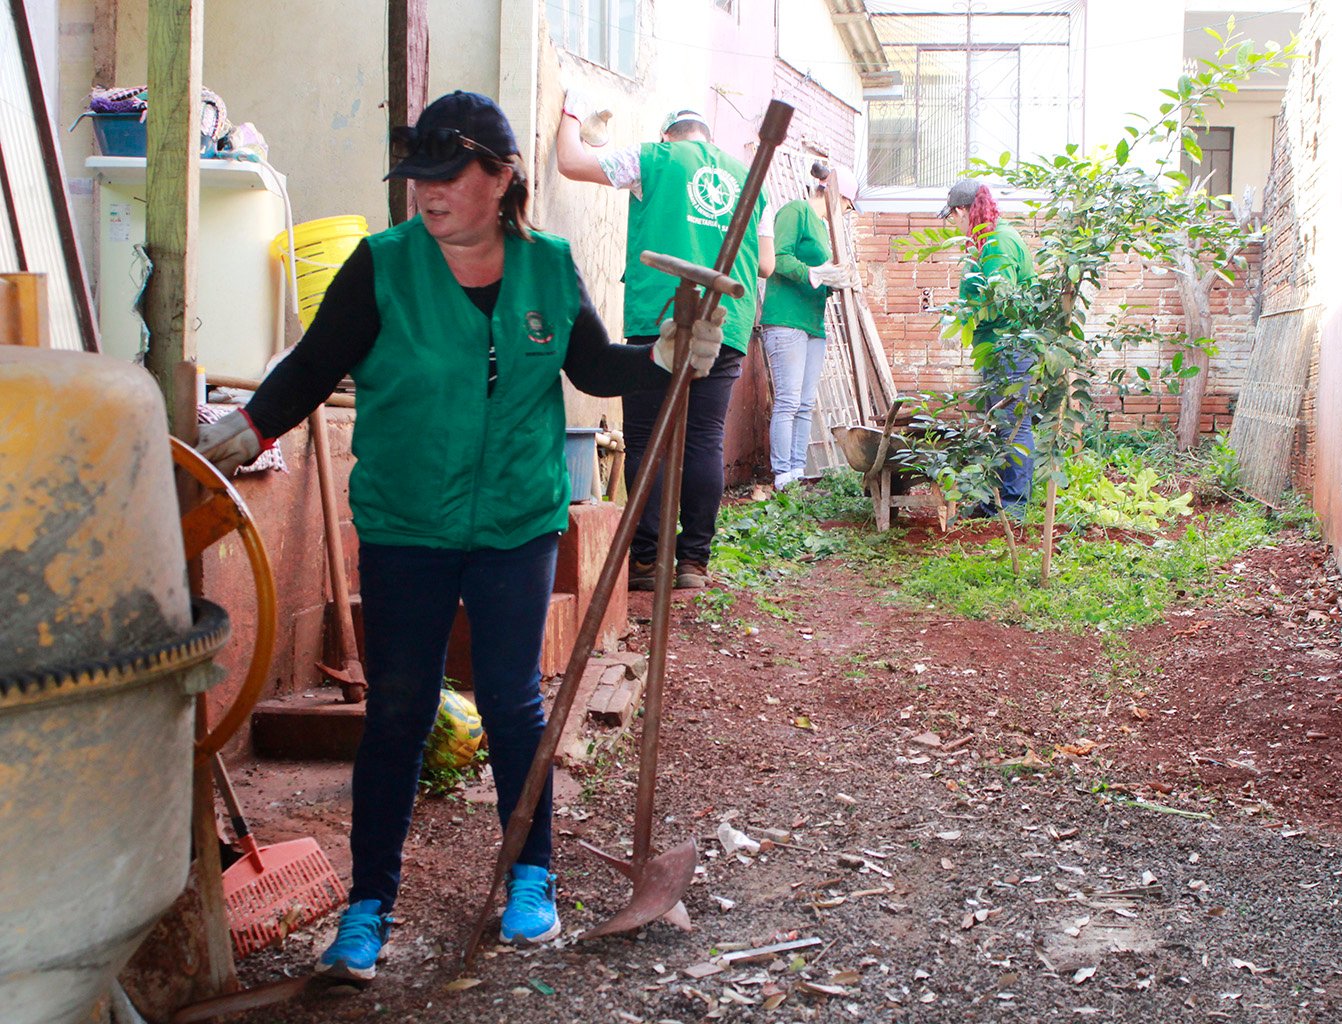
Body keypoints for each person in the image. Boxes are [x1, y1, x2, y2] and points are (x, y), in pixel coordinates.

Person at [195, 91, 722, 981]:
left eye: (449, 175)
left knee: (514, 702)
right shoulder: (383, 266)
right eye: (420, 177)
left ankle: (531, 875)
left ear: (503, 177)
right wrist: (246, 430)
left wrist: (666, 358)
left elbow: (593, 366)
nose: (429, 193)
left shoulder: (549, 266)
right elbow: (313, 366)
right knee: (398, 709)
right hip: (407, 522)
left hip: (517, 521)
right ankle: (368, 907)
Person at [556, 99, 772, 590]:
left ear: (668, 134)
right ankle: (693, 562)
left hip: (662, 317)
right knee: (704, 438)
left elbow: (571, 162)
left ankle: (648, 561)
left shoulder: (651, 158)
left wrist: (571, 116)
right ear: (706, 138)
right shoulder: (749, 178)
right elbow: (766, 265)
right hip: (725, 320)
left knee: (648, 437)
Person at [940, 178, 1037, 518]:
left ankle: (1014, 507)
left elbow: (1000, 300)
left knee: (1013, 425)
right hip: (997, 348)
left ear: (962, 211)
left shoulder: (998, 242)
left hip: (1010, 348)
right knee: (999, 425)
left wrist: (963, 318)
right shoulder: (989, 239)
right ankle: (995, 501)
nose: (954, 224)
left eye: (952, 217)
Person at [759, 164, 854, 490]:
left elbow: (817, 278)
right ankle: (782, 475)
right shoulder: (795, 211)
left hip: (813, 323)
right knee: (788, 400)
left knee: (804, 403)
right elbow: (777, 258)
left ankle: (797, 472)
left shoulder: (823, 228)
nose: (846, 211)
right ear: (834, 194)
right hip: (786, 319)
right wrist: (814, 273)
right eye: (848, 204)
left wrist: (831, 281)